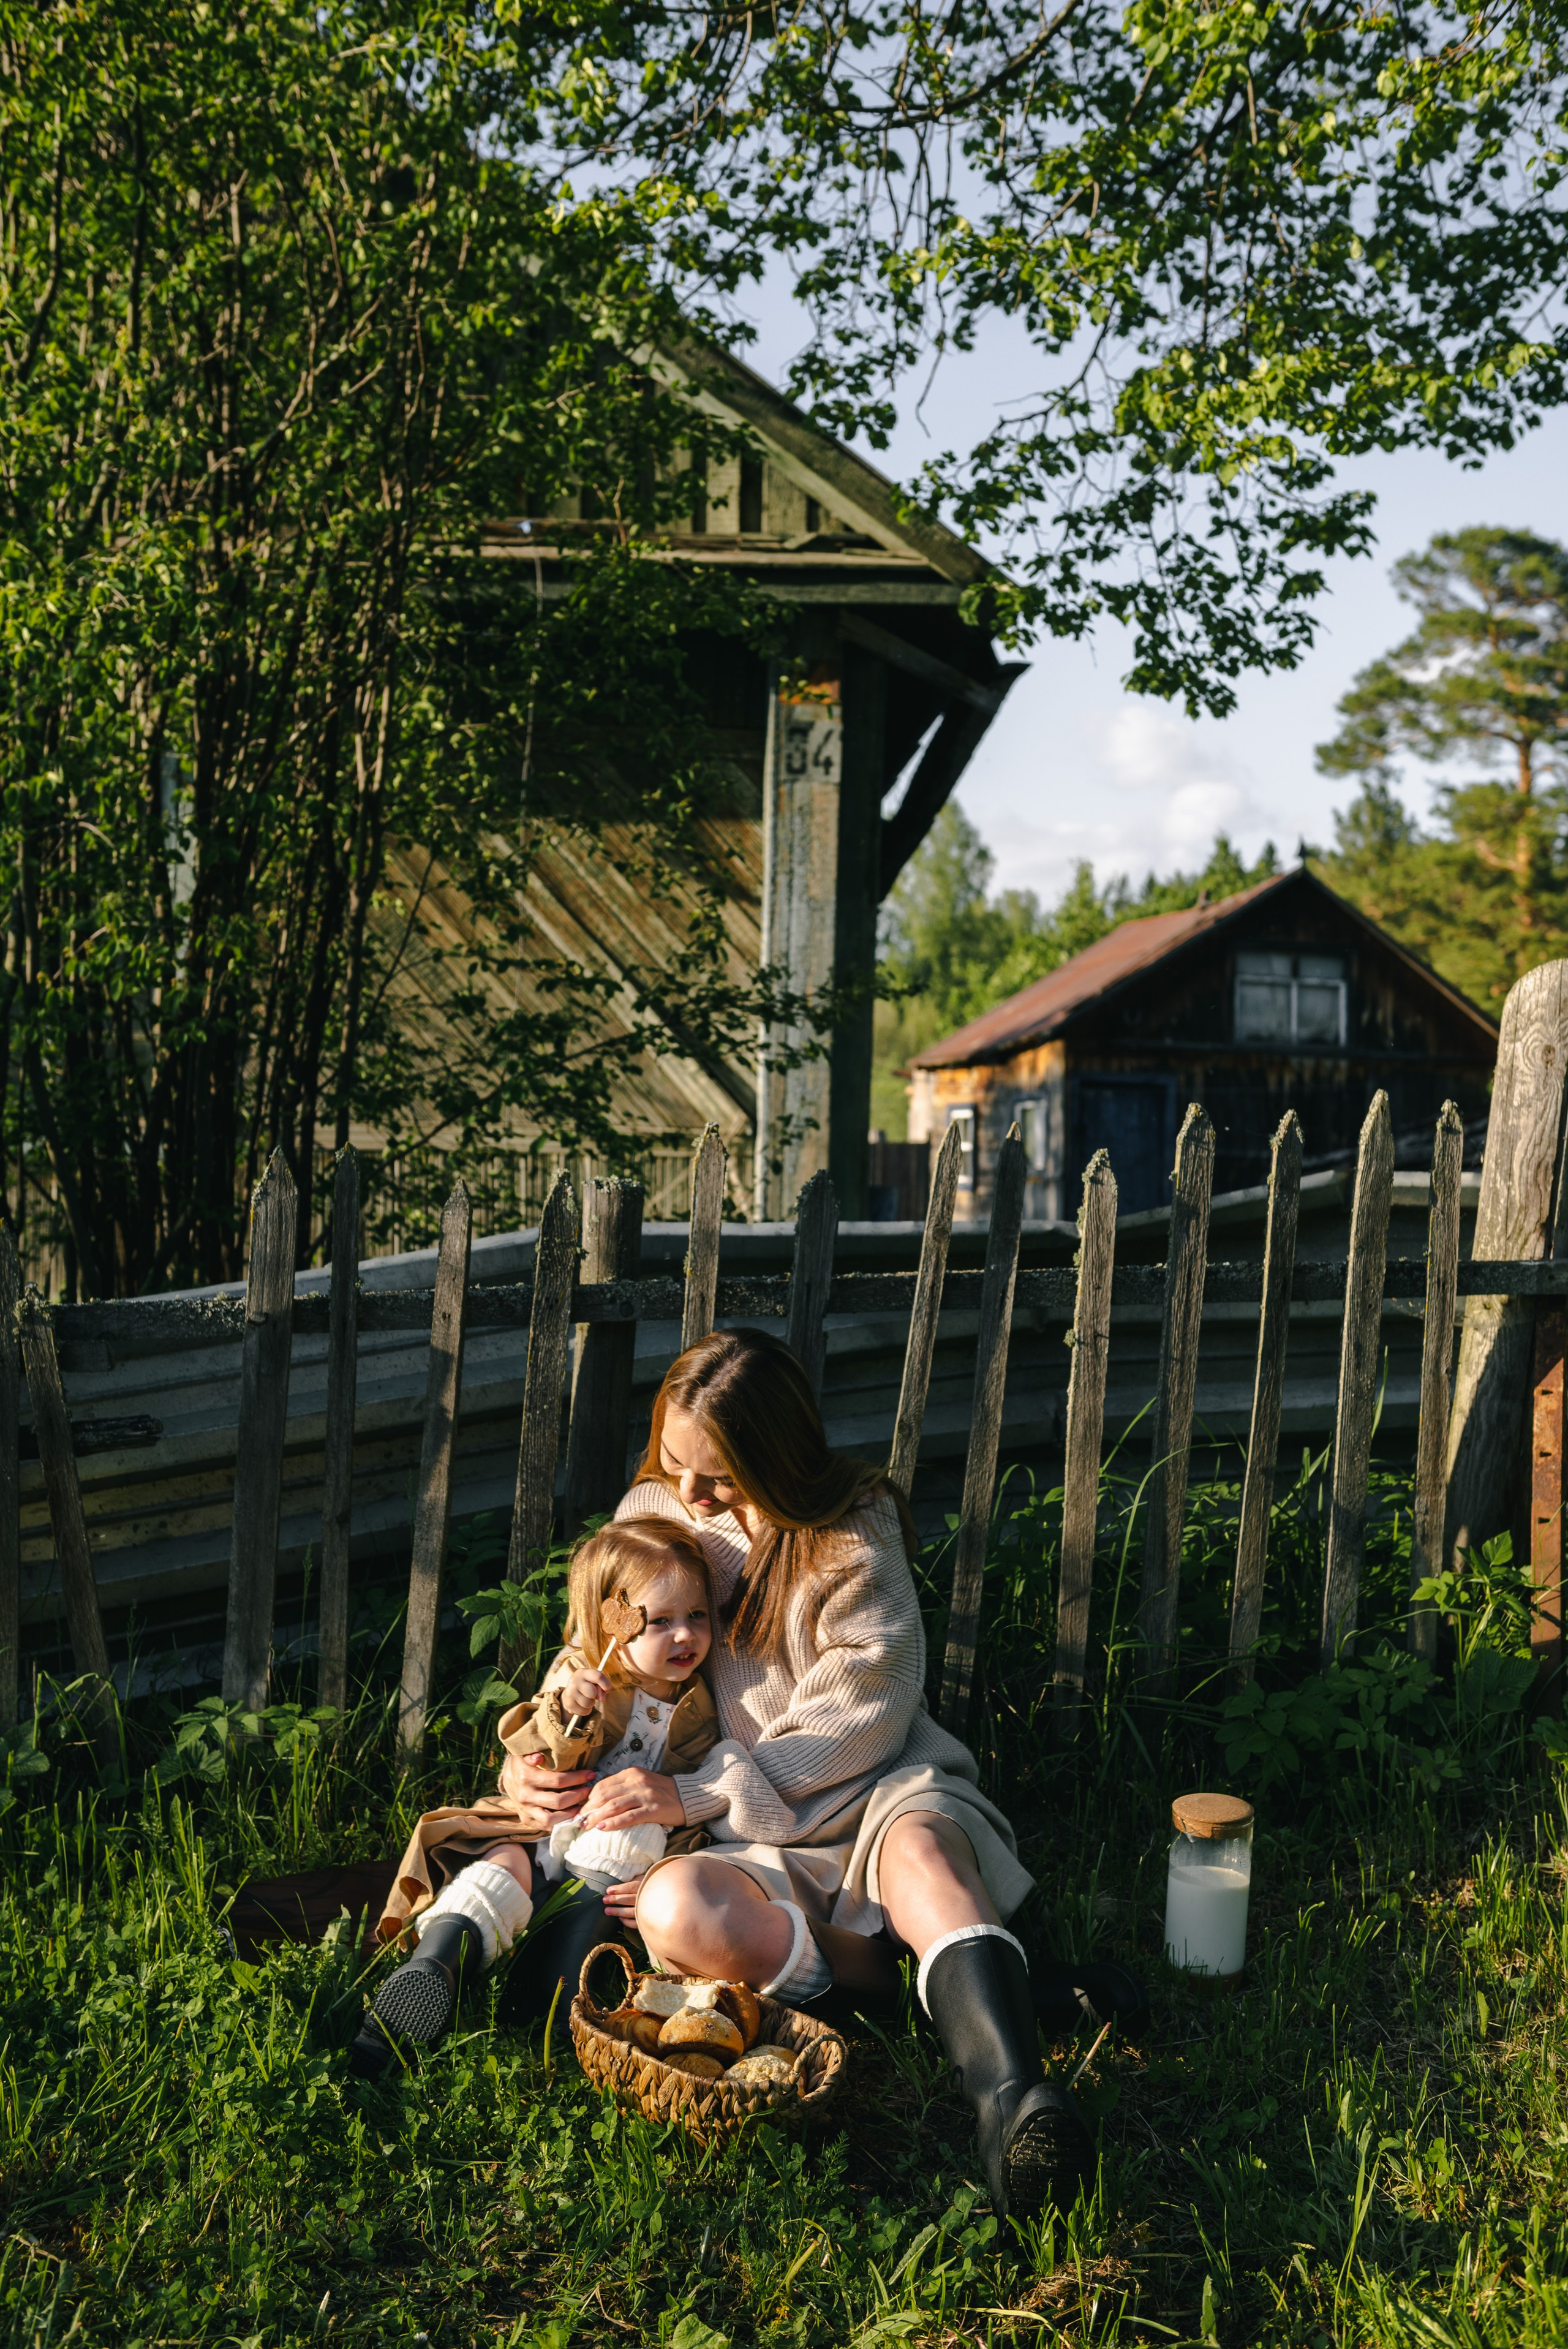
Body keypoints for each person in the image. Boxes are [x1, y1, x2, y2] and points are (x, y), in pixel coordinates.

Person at [497, 1327, 1148, 2221]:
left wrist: (693, 1791)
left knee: (922, 1859)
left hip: (871, 1785)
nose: (689, 1494)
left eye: (718, 1476)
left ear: (777, 1458)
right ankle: (976, 1985)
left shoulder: (852, 1530)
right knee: (671, 1908)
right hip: (741, 1829)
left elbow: (862, 1713)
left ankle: (1014, 2102)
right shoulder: (660, 1504)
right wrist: (535, 1750)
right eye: (675, 1462)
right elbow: (595, 1649)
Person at [349, 1517, 720, 2079]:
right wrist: (570, 1710)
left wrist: (671, 1861)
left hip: (610, 1852)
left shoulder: (700, 1706)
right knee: (504, 1863)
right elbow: (545, 1756)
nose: (685, 1635)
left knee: (631, 1831)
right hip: (543, 1824)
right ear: (610, 1623)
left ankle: (555, 1975)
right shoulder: (583, 1675)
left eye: (696, 1615)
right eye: (660, 1621)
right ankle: (442, 1957)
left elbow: (689, 1797)